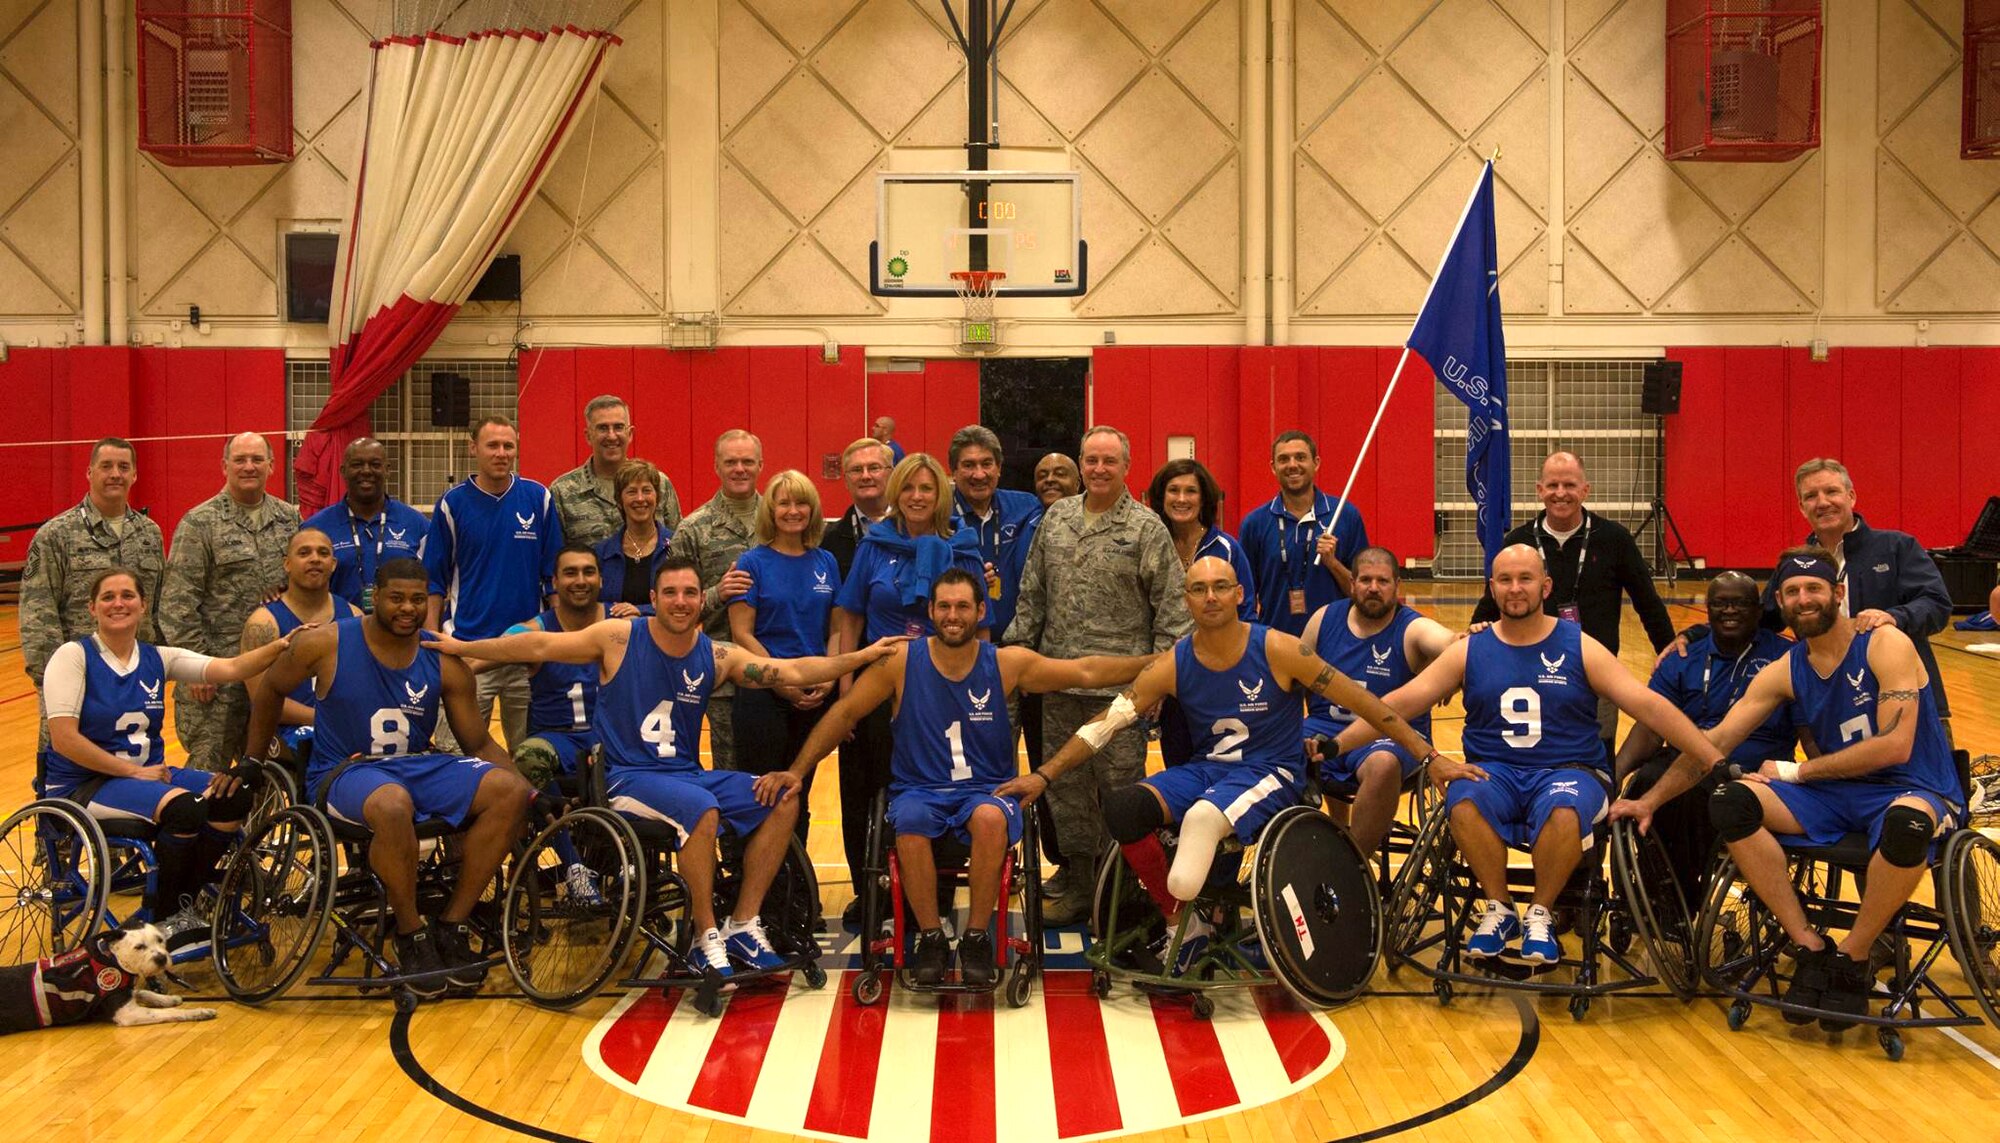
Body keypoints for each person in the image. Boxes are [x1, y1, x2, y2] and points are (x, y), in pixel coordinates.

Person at [426, 558, 905, 979]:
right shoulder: (617, 637)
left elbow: (792, 672)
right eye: (670, 593)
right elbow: (535, 647)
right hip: (626, 779)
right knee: (701, 809)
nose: (680, 602)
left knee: (782, 794)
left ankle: (742, 924)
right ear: (653, 598)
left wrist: (861, 657)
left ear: (702, 600)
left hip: (686, 776)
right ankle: (704, 936)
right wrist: (464, 647)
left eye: (690, 593)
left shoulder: (717, 655)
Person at [1002, 556, 1431, 974]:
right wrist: (1044, 775)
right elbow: (1104, 725)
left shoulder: (1279, 648)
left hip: (1272, 771)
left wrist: (1429, 756)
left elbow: (1366, 704)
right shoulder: (1173, 662)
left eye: (1221, 587)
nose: (1211, 597)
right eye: (1199, 589)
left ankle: (1190, 912)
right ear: (1186, 599)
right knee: (1124, 809)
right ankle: (1182, 926)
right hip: (1208, 770)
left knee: (1203, 820)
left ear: (1239, 594)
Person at [1614, 550, 1961, 1030]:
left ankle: (1853, 957)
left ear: (1837, 594)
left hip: (1913, 789)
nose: (1804, 599)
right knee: (1733, 801)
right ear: (1780, 601)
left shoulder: (1885, 643)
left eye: (1814, 588)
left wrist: (1796, 773)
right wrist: (1650, 799)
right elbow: (1712, 743)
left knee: (1906, 824)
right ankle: (1809, 945)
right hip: (1837, 796)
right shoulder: (1786, 668)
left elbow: (1894, 746)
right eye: (1793, 592)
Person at [757, 568, 1154, 986]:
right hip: (919, 790)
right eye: (944, 606)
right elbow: (845, 713)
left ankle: (977, 937)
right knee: (907, 822)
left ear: (980, 611)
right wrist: (798, 770)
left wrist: (1156, 663)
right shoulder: (902, 662)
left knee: (988, 818)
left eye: (963, 606)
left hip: (987, 789)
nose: (952, 615)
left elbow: (1085, 672)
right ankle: (930, 937)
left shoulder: (1005, 663)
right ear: (930, 611)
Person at [1336, 544, 1724, 965]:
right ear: (1492, 587)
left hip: (1569, 771)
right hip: (1495, 773)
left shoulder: (1580, 645)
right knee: (1462, 799)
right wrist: (1337, 745)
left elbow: (1648, 706)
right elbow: (1398, 703)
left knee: (1563, 807)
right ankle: (1499, 908)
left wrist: (1712, 758)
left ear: (1546, 585)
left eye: (1525, 579)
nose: (1515, 589)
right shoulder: (1470, 650)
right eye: (1505, 580)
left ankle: (1541, 912)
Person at [245, 558, 532, 999]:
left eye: (418, 599)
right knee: (393, 802)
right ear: (373, 597)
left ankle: (452, 924)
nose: (408, 608)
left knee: (508, 792)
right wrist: (252, 761)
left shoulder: (441, 658)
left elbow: (478, 744)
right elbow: (269, 689)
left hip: (417, 765)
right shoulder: (326, 642)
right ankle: (410, 931)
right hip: (345, 771)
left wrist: (530, 788)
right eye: (396, 597)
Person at [42, 567, 297, 947]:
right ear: (92, 607)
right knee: (186, 809)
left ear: (143, 605)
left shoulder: (156, 657)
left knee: (234, 795)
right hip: (84, 785)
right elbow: (64, 740)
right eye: (108, 597)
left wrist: (283, 645)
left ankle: (182, 902)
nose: (118, 603)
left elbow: (230, 668)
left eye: (128, 595)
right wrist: (132, 771)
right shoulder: (72, 656)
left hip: (145, 778)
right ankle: (164, 917)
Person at [1005, 426, 1190, 925]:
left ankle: (1122, 891)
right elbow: (1032, 596)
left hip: (1122, 694)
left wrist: (1157, 685)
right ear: (1081, 465)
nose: (1099, 469)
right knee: (1064, 792)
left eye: (1110, 460)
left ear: (1126, 466)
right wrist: (1015, 662)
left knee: (1119, 790)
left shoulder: (1146, 528)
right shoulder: (1056, 519)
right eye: (1091, 460)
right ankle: (1081, 884)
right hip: (1056, 683)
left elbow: (1173, 614)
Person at [832, 453, 989, 926]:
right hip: (878, 686)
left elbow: (981, 630)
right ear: (895, 494)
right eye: (908, 489)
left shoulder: (962, 549)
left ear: (941, 494)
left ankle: (935, 894)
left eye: (927, 489)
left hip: (943, 692)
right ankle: (870, 892)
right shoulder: (873, 547)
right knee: (863, 790)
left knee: (936, 792)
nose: (917, 497)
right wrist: (845, 691)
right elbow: (850, 618)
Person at [1611, 572, 1798, 907]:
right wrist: (1613, 774)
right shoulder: (1684, 657)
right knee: (1648, 780)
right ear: (1707, 610)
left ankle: (1677, 893)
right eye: (1720, 604)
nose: (1729, 611)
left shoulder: (1787, 658)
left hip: (1754, 771)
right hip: (1687, 761)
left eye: (1740, 603)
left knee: (1702, 794)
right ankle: (1662, 885)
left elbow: (1810, 728)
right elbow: (1652, 725)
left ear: (1758, 610)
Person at [1471, 451, 1675, 753]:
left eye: (1569, 485)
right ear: (1540, 490)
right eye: (1552, 485)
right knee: (1538, 755)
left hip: (1595, 675)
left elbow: (1648, 603)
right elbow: (1492, 602)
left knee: (1598, 758)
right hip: (1528, 672)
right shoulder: (1518, 541)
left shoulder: (1614, 539)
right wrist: (1472, 639)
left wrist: (1670, 656)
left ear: (1585, 490)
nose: (1561, 493)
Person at [159, 432, 302, 771]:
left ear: (271, 465)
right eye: (240, 460)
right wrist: (196, 668)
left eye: (256, 459)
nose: (248, 467)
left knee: (268, 774)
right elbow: (176, 604)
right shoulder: (199, 523)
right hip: (216, 678)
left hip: (272, 673)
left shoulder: (289, 520)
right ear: (224, 466)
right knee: (209, 776)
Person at [1300, 548, 1455, 853]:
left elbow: (1447, 640)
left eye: (1383, 581)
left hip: (1388, 740)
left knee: (1382, 763)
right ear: (1352, 582)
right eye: (1366, 579)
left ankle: (1351, 868)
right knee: (1273, 747)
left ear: (1398, 586)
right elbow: (1291, 676)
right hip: (1324, 729)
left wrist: (1457, 652)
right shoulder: (1324, 619)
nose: (1373, 587)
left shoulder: (1411, 628)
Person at [421, 416, 562, 752]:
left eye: (508, 446)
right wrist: (431, 643)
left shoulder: (537, 498)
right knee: (457, 754)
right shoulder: (453, 504)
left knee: (530, 756)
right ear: (474, 449)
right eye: (493, 445)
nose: (501, 453)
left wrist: (555, 643)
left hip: (525, 651)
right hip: (468, 650)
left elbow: (553, 578)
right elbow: (434, 581)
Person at [729, 470, 842, 842]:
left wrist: (828, 676)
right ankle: (762, 893)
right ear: (770, 510)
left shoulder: (826, 561)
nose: (793, 510)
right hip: (763, 694)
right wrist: (782, 681)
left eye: (801, 502)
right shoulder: (752, 562)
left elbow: (836, 628)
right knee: (762, 794)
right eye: (784, 503)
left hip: (813, 695)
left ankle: (797, 895)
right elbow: (741, 633)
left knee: (798, 793)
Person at [22, 437, 166, 690]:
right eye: (106, 466)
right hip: (78, 677)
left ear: (134, 475)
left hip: (137, 678)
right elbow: (38, 613)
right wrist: (52, 680)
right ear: (89, 472)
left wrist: (157, 665)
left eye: (123, 467)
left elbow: (158, 609)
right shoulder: (56, 534)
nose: (115, 474)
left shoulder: (150, 533)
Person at [1145, 457, 1257, 769]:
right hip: (1169, 681)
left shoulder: (1228, 548)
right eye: (1173, 490)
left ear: (1204, 498)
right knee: (1178, 766)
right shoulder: (1149, 544)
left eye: (1190, 491)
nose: (1181, 499)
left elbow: (1246, 616)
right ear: (1161, 497)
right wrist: (1154, 681)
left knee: (1224, 765)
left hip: (1218, 678)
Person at [668, 429, 764, 772]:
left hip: (779, 666)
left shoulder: (782, 520)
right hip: (722, 675)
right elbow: (674, 605)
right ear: (716, 467)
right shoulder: (694, 529)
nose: (740, 469)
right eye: (731, 462)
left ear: (760, 465)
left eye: (747, 461)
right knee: (731, 770)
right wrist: (717, 593)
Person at [238, 528, 363, 771]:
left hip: (342, 727)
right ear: (287, 564)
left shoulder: (355, 616)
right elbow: (262, 701)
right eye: (304, 553)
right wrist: (324, 720)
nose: (315, 558)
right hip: (287, 731)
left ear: (334, 564)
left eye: (323, 553)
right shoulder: (263, 624)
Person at [1237, 431, 1369, 638]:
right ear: (1273, 467)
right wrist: (1253, 636)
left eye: (1300, 457)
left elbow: (1363, 591)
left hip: (1334, 640)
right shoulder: (1254, 523)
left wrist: (1332, 563)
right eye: (1283, 459)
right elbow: (1243, 594)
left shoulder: (1345, 515)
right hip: (1275, 641)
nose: (1292, 465)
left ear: (1316, 463)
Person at [505, 544, 612, 792]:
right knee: (528, 755)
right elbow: (495, 650)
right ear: (555, 581)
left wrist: (642, 609)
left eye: (589, 572)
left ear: (601, 579)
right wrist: (459, 651)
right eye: (571, 573)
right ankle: (555, 821)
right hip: (556, 738)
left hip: (612, 739)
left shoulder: (621, 623)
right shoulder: (534, 629)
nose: (581, 581)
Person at [302, 437, 428, 610]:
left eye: (375, 465)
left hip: (401, 630)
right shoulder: (316, 528)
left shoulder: (417, 525)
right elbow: (300, 586)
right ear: (343, 471)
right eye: (357, 465)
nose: (366, 471)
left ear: (387, 470)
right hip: (337, 631)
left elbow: (435, 585)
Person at [550, 394, 683, 546]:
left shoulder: (658, 483)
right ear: (588, 436)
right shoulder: (562, 491)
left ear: (630, 434)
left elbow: (678, 546)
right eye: (602, 428)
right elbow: (556, 559)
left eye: (618, 427)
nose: (612, 436)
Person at [949, 425, 1042, 641]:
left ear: (999, 468)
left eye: (987, 464)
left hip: (1017, 645)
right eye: (968, 465)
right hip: (956, 644)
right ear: (953, 471)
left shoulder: (1027, 507)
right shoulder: (938, 516)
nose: (979, 474)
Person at [592, 459, 673, 617]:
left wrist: (640, 611)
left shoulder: (676, 545)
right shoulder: (602, 553)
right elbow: (593, 605)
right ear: (619, 501)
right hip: (615, 637)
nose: (640, 498)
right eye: (631, 492)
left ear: (657, 497)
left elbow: (686, 599)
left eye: (647, 490)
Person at [823, 437, 893, 576]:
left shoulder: (914, 529)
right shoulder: (828, 540)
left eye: (874, 468)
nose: (865, 476)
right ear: (846, 481)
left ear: (891, 473)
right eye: (856, 470)